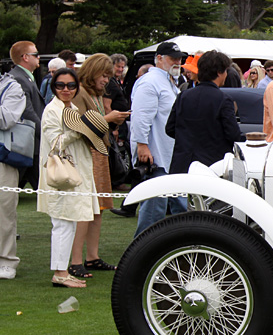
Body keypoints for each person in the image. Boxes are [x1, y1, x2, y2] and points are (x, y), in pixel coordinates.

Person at [37, 68, 100, 288]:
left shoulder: (72, 108)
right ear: (53, 87)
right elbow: (55, 143)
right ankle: (60, 273)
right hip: (61, 176)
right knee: (62, 223)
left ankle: (63, 271)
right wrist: (80, 129)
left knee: (70, 222)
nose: (66, 90)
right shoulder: (52, 110)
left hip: (76, 174)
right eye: (61, 85)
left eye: (71, 86)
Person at [67, 53, 129, 278]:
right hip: (87, 155)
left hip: (99, 155)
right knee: (85, 209)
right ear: (92, 72)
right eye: (104, 75)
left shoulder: (93, 94)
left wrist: (113, 119)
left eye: (109, 76)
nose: (106, 80)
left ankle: (92, 257)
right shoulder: (79, 93)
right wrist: (109, 118)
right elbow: (79, 126)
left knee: (99, 208)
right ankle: (75, 261)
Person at [130, 41, 189, 236]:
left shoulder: (167, 80)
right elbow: (140, 116)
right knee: (155, 207)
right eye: (173, 58)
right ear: (159, 59)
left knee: (174, 204)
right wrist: (142, 146)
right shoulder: (150, 82)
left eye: (180, 58)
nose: (178, 62)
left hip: (168, 154)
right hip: (156, 155)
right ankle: (141, 249)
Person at [165, 50, 245, 174]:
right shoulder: (223, 100)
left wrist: (186, 139)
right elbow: (233, 134)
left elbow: (170, 128)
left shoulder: (183, 96)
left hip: (182, 163)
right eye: (225, 71)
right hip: (212, 166)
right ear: (219, 72)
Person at [1, 71, 30, 280]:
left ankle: (6, 261)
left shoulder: (12, 87)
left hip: (2, 158)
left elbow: (7, 119)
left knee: (4, 211)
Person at [7, 41, 44, 189]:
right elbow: (27, 112)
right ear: (25, 57)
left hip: (29, 143)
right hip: (26, 144)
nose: (39, 57)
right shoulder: (19, 78)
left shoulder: (25, 77)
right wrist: (46, 134)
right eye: (35, 54)